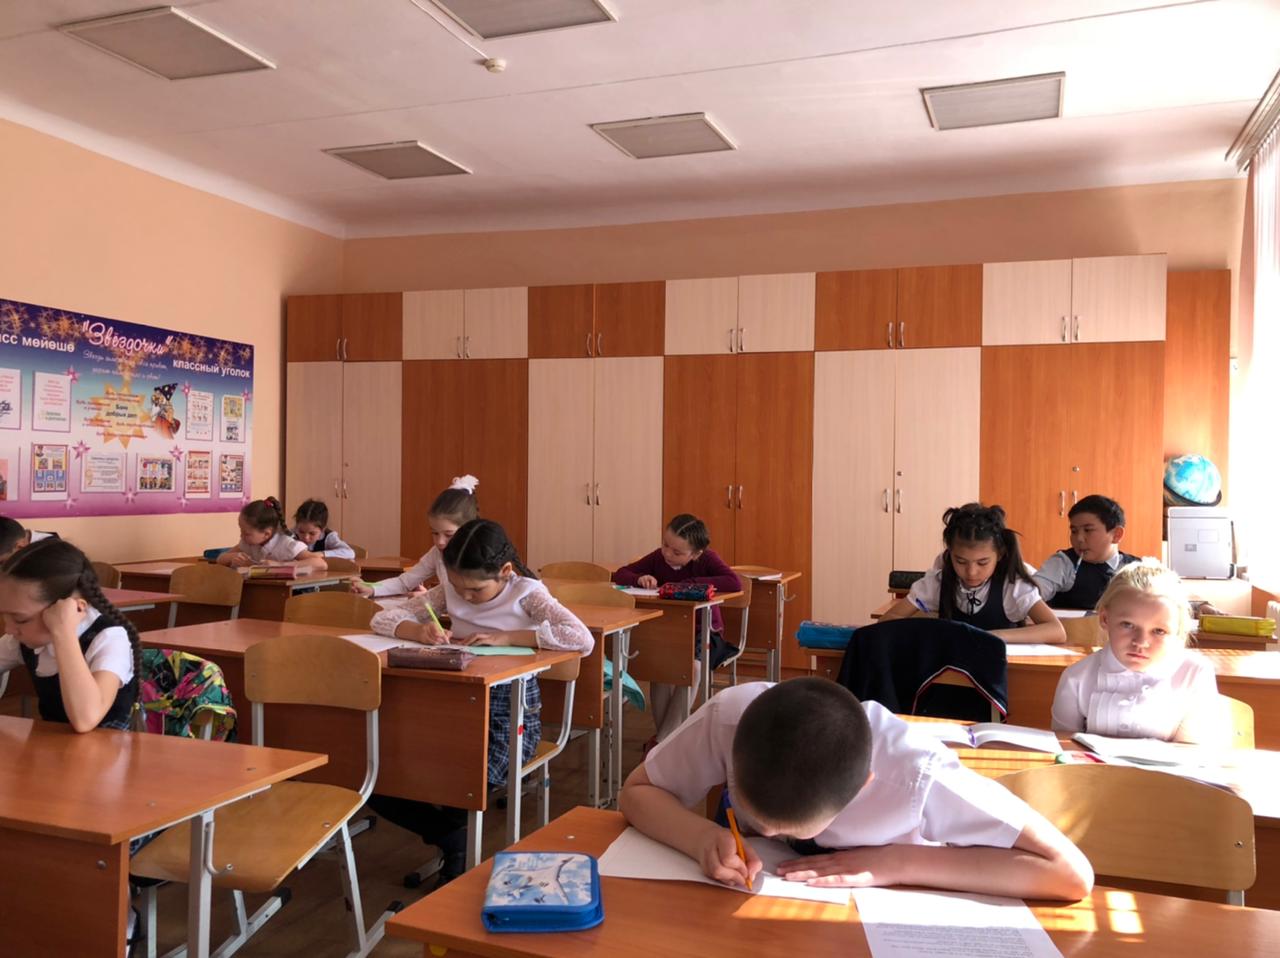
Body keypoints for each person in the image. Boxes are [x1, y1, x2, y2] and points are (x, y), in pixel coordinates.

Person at [619, 678, 1093, 900]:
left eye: (791, 830)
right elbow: (635, 791)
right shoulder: (730, 716)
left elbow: (1069, 873)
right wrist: (702, 836)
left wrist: (897, 862)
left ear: (864, 785)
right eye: (755, 818)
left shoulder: (917, 773)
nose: (769, 836)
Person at [367, 518, 593, 883]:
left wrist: (510, 637)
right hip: (451, 709)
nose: (466, 597)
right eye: (459, 588)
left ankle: (454, 841)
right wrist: (418, 630)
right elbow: (384, 618)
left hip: (510, 714)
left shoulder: (527, 592)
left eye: (475, 589)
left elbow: (581, 638)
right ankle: (451, 837)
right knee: (377, 774)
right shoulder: (451, 589)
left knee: (468, 778)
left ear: (505, 571)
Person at [1051, 559, 1226, 745]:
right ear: (1105, 619)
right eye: (1128, 625)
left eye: (1159, 631)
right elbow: (1063, 746)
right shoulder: (1076, 677)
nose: (1141, 642)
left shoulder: (1194, 673)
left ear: (1178, 630)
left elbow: (1192, 752)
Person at [612, 514, 743, 744]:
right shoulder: (658, 557)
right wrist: (640, 578)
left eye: (677, 552)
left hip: (705, 632)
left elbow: (734, 582)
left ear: (695, 554)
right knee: (660, 670)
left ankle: (662, 741)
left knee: (693, 668)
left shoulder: (707, 559)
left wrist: (692, 583)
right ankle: (667, 742)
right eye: (665, 545)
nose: (668, 554)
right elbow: (621, 574)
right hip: (669, 630)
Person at [0, 538, 140, 731]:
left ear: (73, 608)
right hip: (53, 746)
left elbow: (86, 719)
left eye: (20, 619)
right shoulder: (22, 637)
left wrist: (64, 632)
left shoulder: (109, 638)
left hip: (109, 747)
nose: (8, 629)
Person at [881, 503, 1065, 644]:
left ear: (1000, 554)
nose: (971, 572)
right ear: (949, 553)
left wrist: (991, 636)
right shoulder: (937, 583)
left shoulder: (1012, 587)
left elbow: (1056, 631)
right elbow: (887, 621)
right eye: (960, 561)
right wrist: (931, 633)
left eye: (982, 563)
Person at [352, 475, 478, 597]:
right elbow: (404, 582)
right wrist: (372, 588)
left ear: (468, 530)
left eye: (448, 535)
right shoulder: (436, 553)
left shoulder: (479, 556)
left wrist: (428, 597)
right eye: (435, 533)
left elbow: (463, 598)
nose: (440, 542)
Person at [1034, 495, 1139, 610]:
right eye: (1074, 531)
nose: (1079, 538)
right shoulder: (1064, 563)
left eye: (1088, 530)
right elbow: (1028, 596)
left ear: (1116, 535)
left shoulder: (1137, 568)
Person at [217, 497, 326, 570]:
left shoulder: (286, 544)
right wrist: (235, 557)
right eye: (241, 530)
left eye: (246, 533)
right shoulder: (248, 543)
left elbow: (321, 564)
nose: (241, 536)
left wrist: (280, 565)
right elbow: (220, 559)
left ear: (266, 534)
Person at [291, 499, 356, 560]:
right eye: (301, 532)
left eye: (312, 533)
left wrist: (321, 554)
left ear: (322, 529)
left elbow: (350, 553)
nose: (306, 537)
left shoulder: (328, 537)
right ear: (297, 526)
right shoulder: (292, 534)